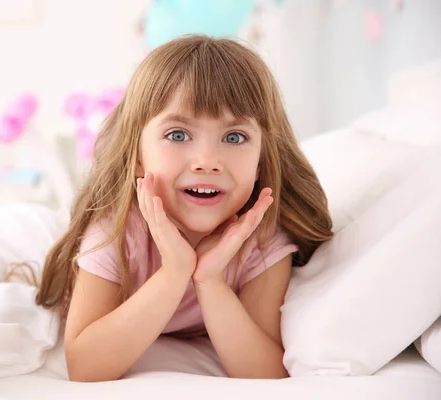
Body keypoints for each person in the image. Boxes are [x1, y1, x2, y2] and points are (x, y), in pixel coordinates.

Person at [35, 34, 333, 382]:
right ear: (136, 157)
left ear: (262, 161)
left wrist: (209, 279)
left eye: (234, 137)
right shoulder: (118, 229)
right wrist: (174, 272)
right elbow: (85, 367)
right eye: (178, 135)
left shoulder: (262, 238)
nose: (207, 161)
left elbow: (264, 374)